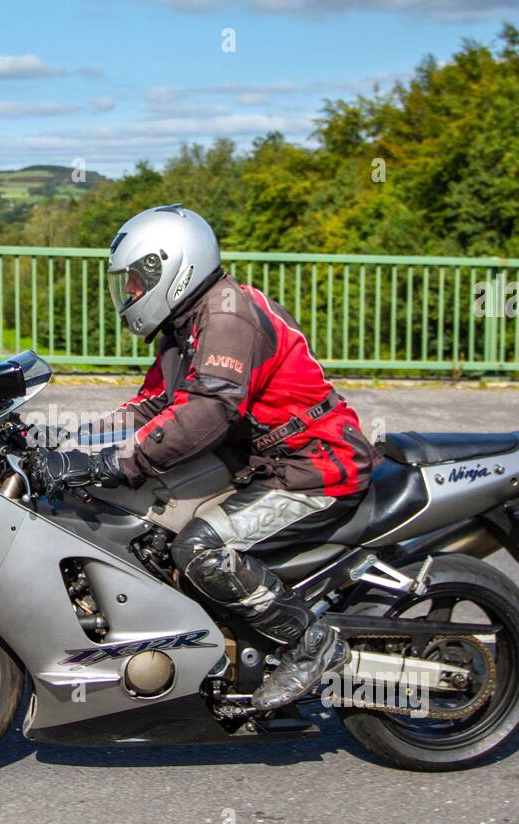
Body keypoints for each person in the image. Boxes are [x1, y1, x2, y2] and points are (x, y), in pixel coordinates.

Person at [31, 204, 381, 711]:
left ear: (172, 268)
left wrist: (118, 463)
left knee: (198, 549)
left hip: (311, 466)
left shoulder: (227, 318)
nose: (129, 293)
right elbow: (150, 406)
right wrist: (67, 440)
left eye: (134, 281)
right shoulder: (184, 325)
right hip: (256, 461)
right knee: (140, 515)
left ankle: (312, 644)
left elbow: (206, 413)